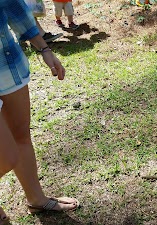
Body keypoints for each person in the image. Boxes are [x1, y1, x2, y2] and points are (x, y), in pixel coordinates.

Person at [0, 0, 78, 223]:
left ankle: (36, 198)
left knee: (21, 136)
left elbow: (13, 8)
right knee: (6, 156)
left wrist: (44, 48)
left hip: (8, 64)